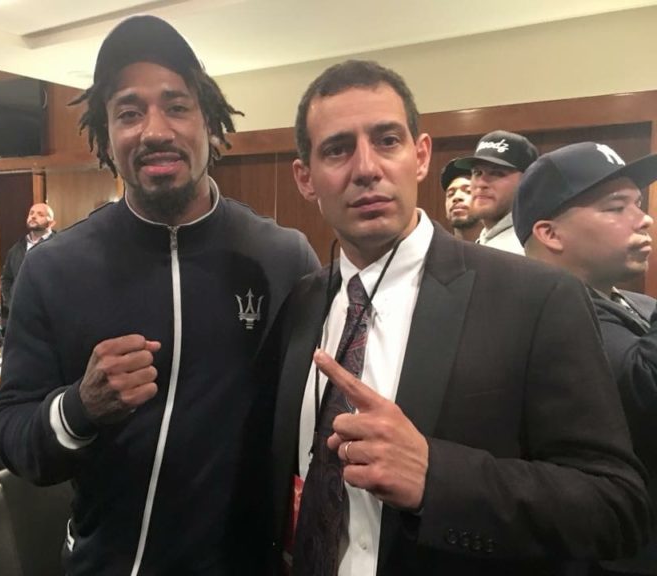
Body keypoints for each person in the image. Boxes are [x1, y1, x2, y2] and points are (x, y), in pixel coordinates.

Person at [267, 60, 651, 576]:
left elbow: (616, 506)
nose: (366, 168)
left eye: (387, 140)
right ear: (305, 178)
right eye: (337, 149)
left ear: (421, 156)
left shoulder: (536, 298)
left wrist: (437, 478)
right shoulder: (301, 303)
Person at [0, 15, 319, 576]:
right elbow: (9, 434)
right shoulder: (53, 269)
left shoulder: (282, 258)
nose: (155, 130)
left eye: (177, 106)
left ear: (208, 121)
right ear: (105, 135)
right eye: (129, 112)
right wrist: (79, 408)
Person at [514, 141, 657, 575]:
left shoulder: (639, 304)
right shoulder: (536, 316)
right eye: (616, 208)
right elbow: (645, 388)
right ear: (550, 234)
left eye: (638, 203)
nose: (643, 219)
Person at [454, 130, 538, 254]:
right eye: (477, 173)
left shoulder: (528, 248)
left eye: (497, 173)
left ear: (527, 180)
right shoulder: (486, 239)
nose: (481, 183)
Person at [0, 202, 56, 317]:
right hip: (21, 312)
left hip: (50, 312)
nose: (34, 216)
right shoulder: (16, 249)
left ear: (52, 223)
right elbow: (6, 279)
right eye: (31, 213)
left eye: (40, 214)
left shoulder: (60, 245)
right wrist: (10, 303)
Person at [440, 159, 481, 242]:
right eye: (450, 194)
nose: (456, 197)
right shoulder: (436, 248)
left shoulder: (504, 247)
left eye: (468, 191)